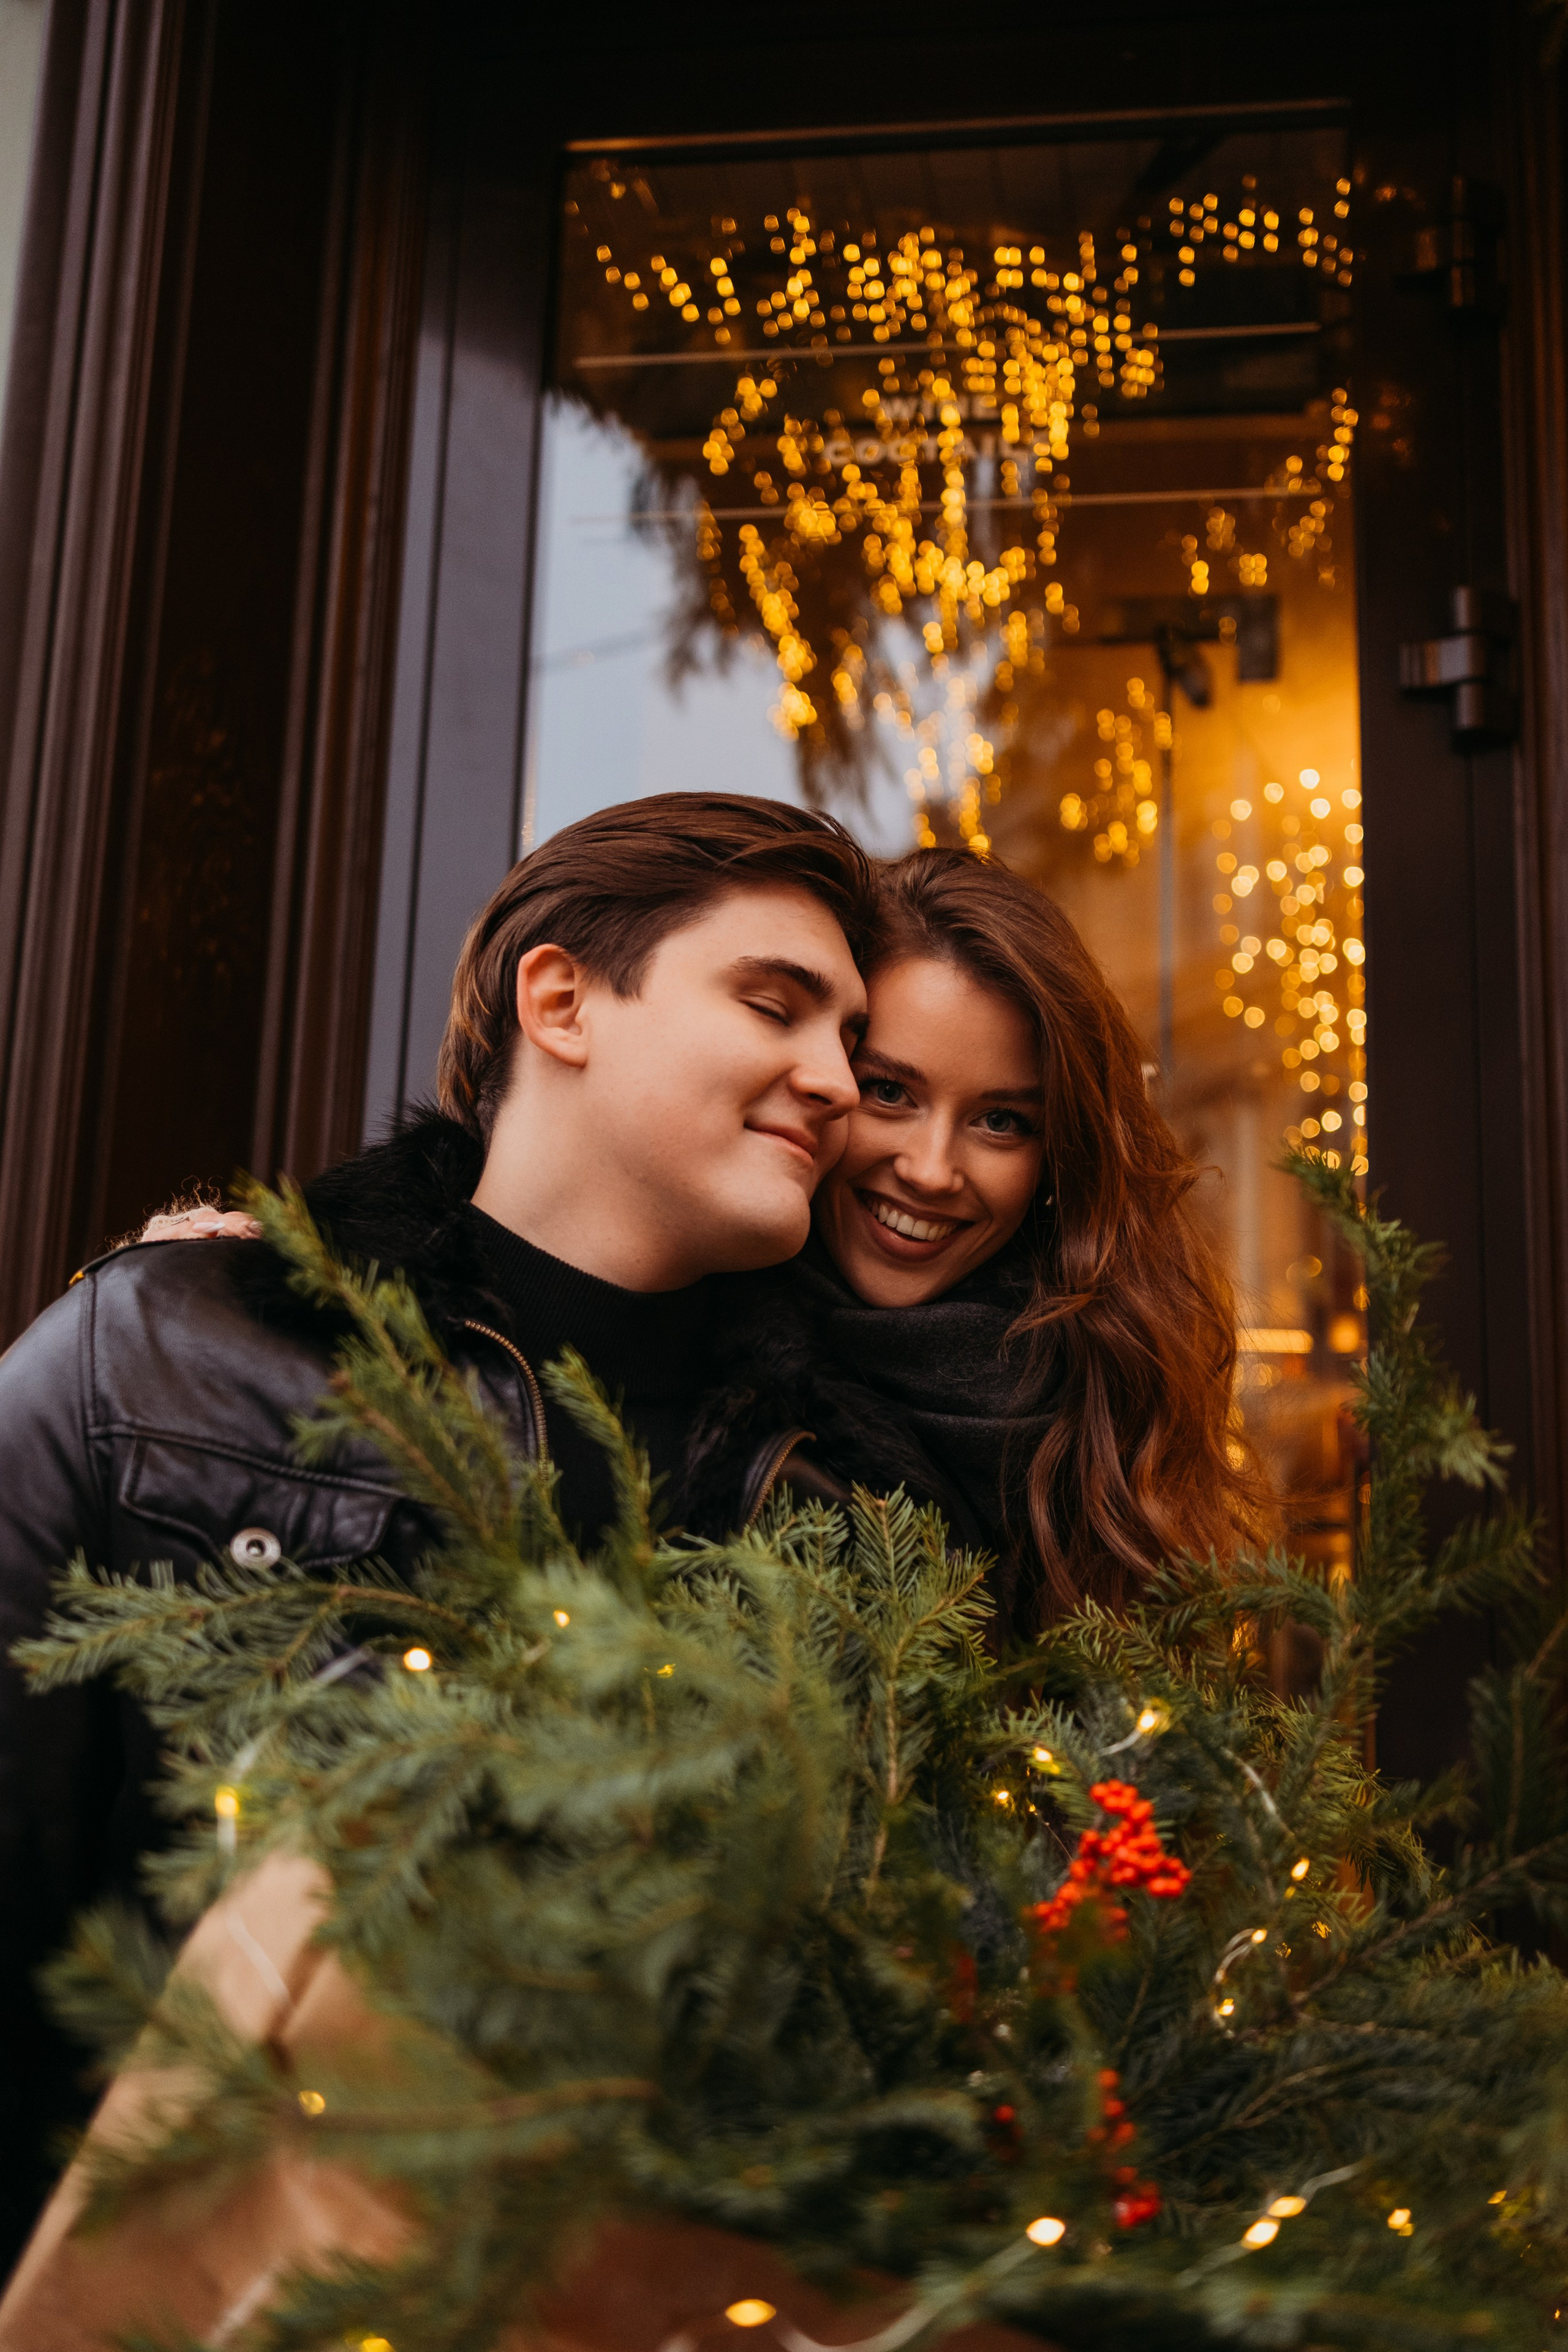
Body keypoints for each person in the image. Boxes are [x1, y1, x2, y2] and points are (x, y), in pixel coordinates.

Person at [0, 791, 876, 2265]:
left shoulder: (818, 1515)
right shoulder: (162, 1354)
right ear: (561, 1001)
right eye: (774, 1006)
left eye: (849, 1038)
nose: (836, 1081)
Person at [685, 847, 1267, 1636]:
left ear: (1056, 1156)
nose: (931, 1172)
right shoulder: (678, 1365)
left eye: (1000, 1121)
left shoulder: (1108, 1406)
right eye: (889, 1091)